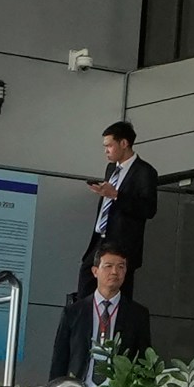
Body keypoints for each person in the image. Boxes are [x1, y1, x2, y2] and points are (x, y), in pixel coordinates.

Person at [47, 246, 153, 385]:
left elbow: (145, 362)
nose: (115, 272)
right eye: (108, 266)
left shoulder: (137, 314)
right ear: (95, 271)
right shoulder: (73, 312)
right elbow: (59, 362)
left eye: (121, 267)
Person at [78, 121, 157, 299]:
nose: (106, 151)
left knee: (117, 295)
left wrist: (116, 195)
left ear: (124, 143)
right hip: (100, 239)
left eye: (109, 146)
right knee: (86, 285)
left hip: (122, 244)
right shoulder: (111, 168)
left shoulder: (145, 172)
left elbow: (149, 209)